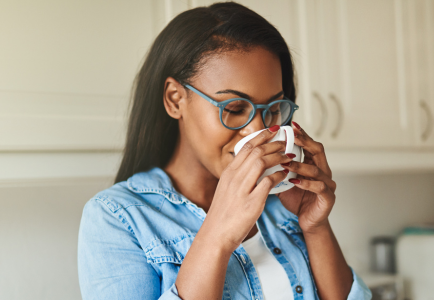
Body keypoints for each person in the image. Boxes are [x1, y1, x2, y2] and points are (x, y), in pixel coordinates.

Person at [78, 2, 371, 299]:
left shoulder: (285, 203)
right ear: (175, 99)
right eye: (234, 108)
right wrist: (218, 235)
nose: (257, 131)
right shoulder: (116, 218)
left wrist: (316, 227)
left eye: (272, 109)